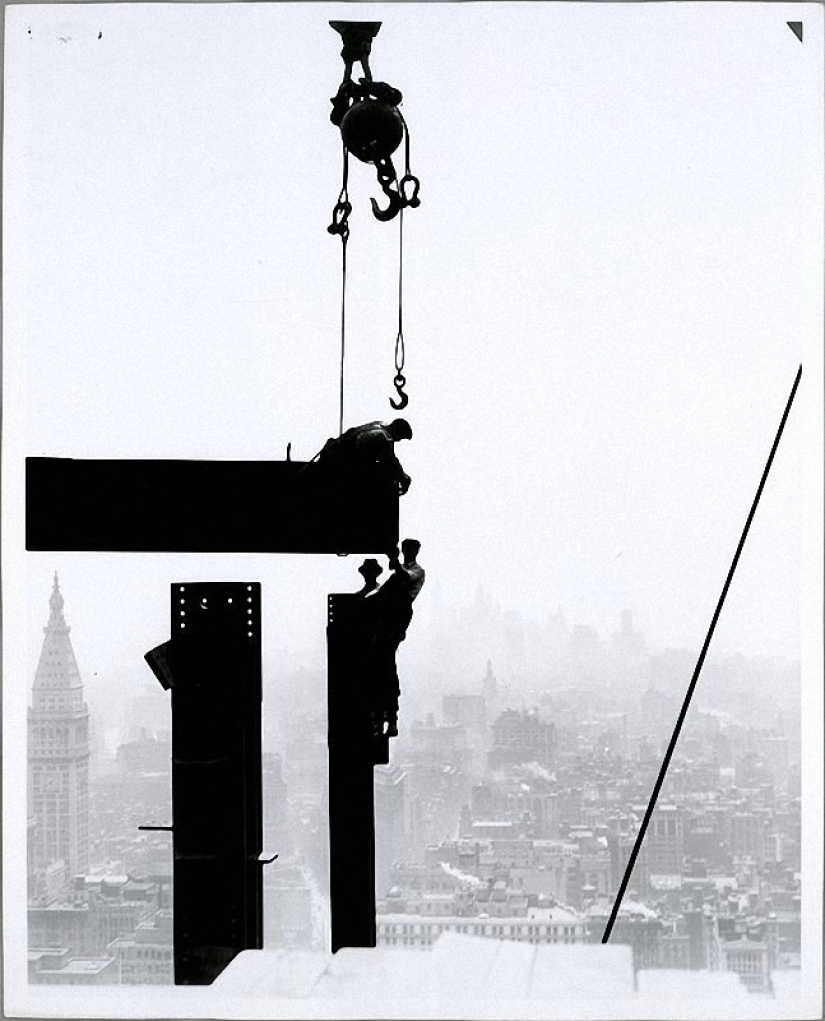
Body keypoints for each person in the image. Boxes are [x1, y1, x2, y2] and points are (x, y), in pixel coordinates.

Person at [366, 538, 425, 737]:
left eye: (410, 550)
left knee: (385, 667)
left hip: (395, 620)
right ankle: (384, 717)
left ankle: (388, 717)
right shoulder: (396, 574)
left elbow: (404, 579)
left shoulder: (416, 571)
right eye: (405, 549)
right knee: (381, 668)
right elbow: (380, 595)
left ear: (416, 551)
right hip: (388, 621)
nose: (407, 552)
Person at [317, 419, 413, 494]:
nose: (398, 440)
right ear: (396, 430)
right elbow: (389, 460)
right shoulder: (384, 437)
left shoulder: (376, 425)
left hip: (331, 454)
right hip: (340, 465)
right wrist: (403, 478)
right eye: (400, 437)